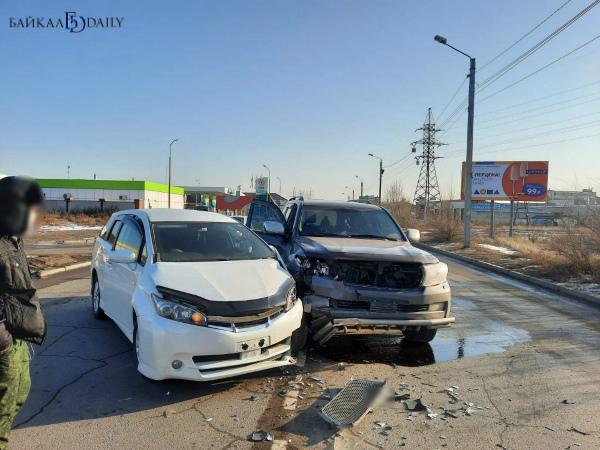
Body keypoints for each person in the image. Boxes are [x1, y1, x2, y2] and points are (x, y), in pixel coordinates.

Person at [0, 176, 47, 448]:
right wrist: (3, 340)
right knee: (2, 411)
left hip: (18, 337)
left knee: (20, 393)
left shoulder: (13, 239)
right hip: (4, 341)